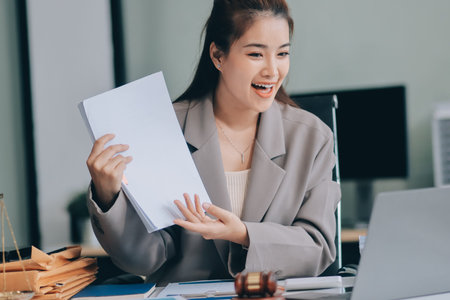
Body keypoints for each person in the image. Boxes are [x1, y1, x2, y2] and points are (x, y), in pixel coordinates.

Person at [86, 0, 341, 286]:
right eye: (256, 54)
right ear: (218, 55)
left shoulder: (312, 137)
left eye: (282, 54)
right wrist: (108, 197)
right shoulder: (165, 129)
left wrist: (242, 234)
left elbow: (318, 247)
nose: (272, 70)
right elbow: (145, 258)